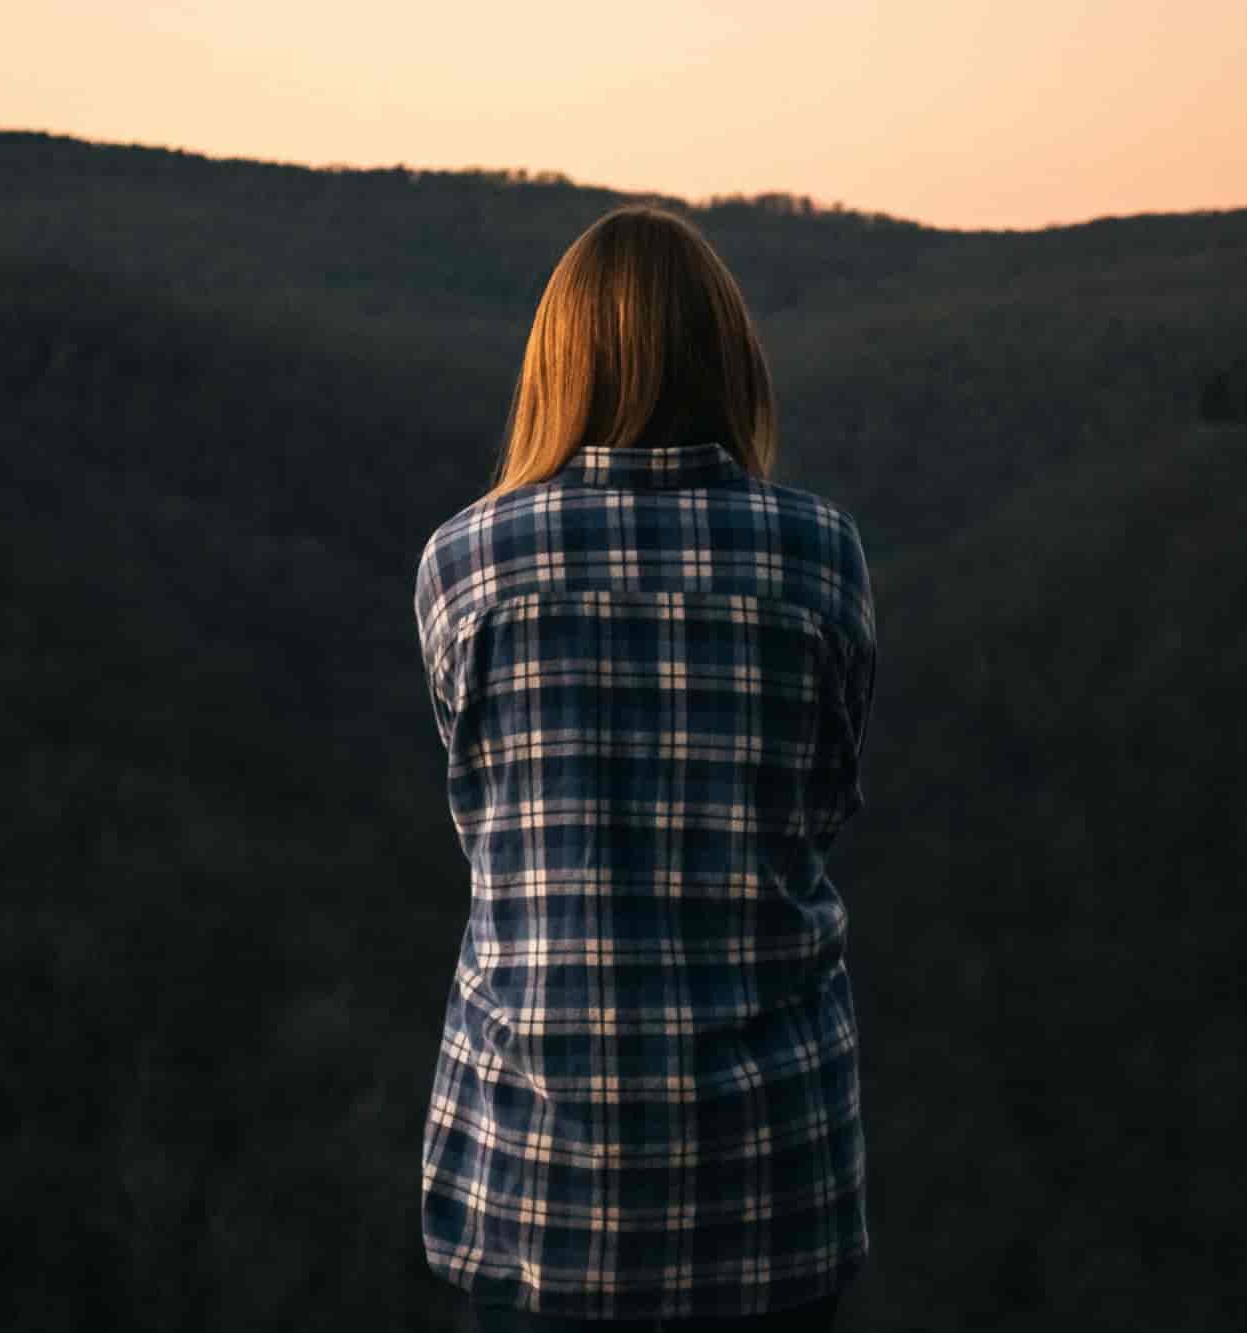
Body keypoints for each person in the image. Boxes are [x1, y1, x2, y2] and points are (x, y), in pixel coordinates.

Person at [413, 203, 877, 1331]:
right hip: (770, 1179)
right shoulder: (817, 553)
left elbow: (486, 830)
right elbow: (821, 807)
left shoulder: (464, 563)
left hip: (537, 1180)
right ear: (730, 362)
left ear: (556, 366)